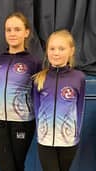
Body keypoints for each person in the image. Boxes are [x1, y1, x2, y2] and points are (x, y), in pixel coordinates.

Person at [0, 12, 41, 171]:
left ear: (26, 32)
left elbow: (38, 95)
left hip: (22, 122)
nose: (12, 33)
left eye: (17, 29)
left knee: (17, 166)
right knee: (6, 166)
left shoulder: (34, 62)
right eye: (8, 30)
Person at [33, 30, 86, 171]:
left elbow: (80, 108)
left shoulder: (78, 77)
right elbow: (37, 108)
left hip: (68, 141)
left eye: (61, 49)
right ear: (47, 51)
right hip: (45, 140)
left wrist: (76, 133)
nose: (56, 53)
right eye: (52, 48)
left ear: (71, 51)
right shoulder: (39, 78)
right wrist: (41, 132)